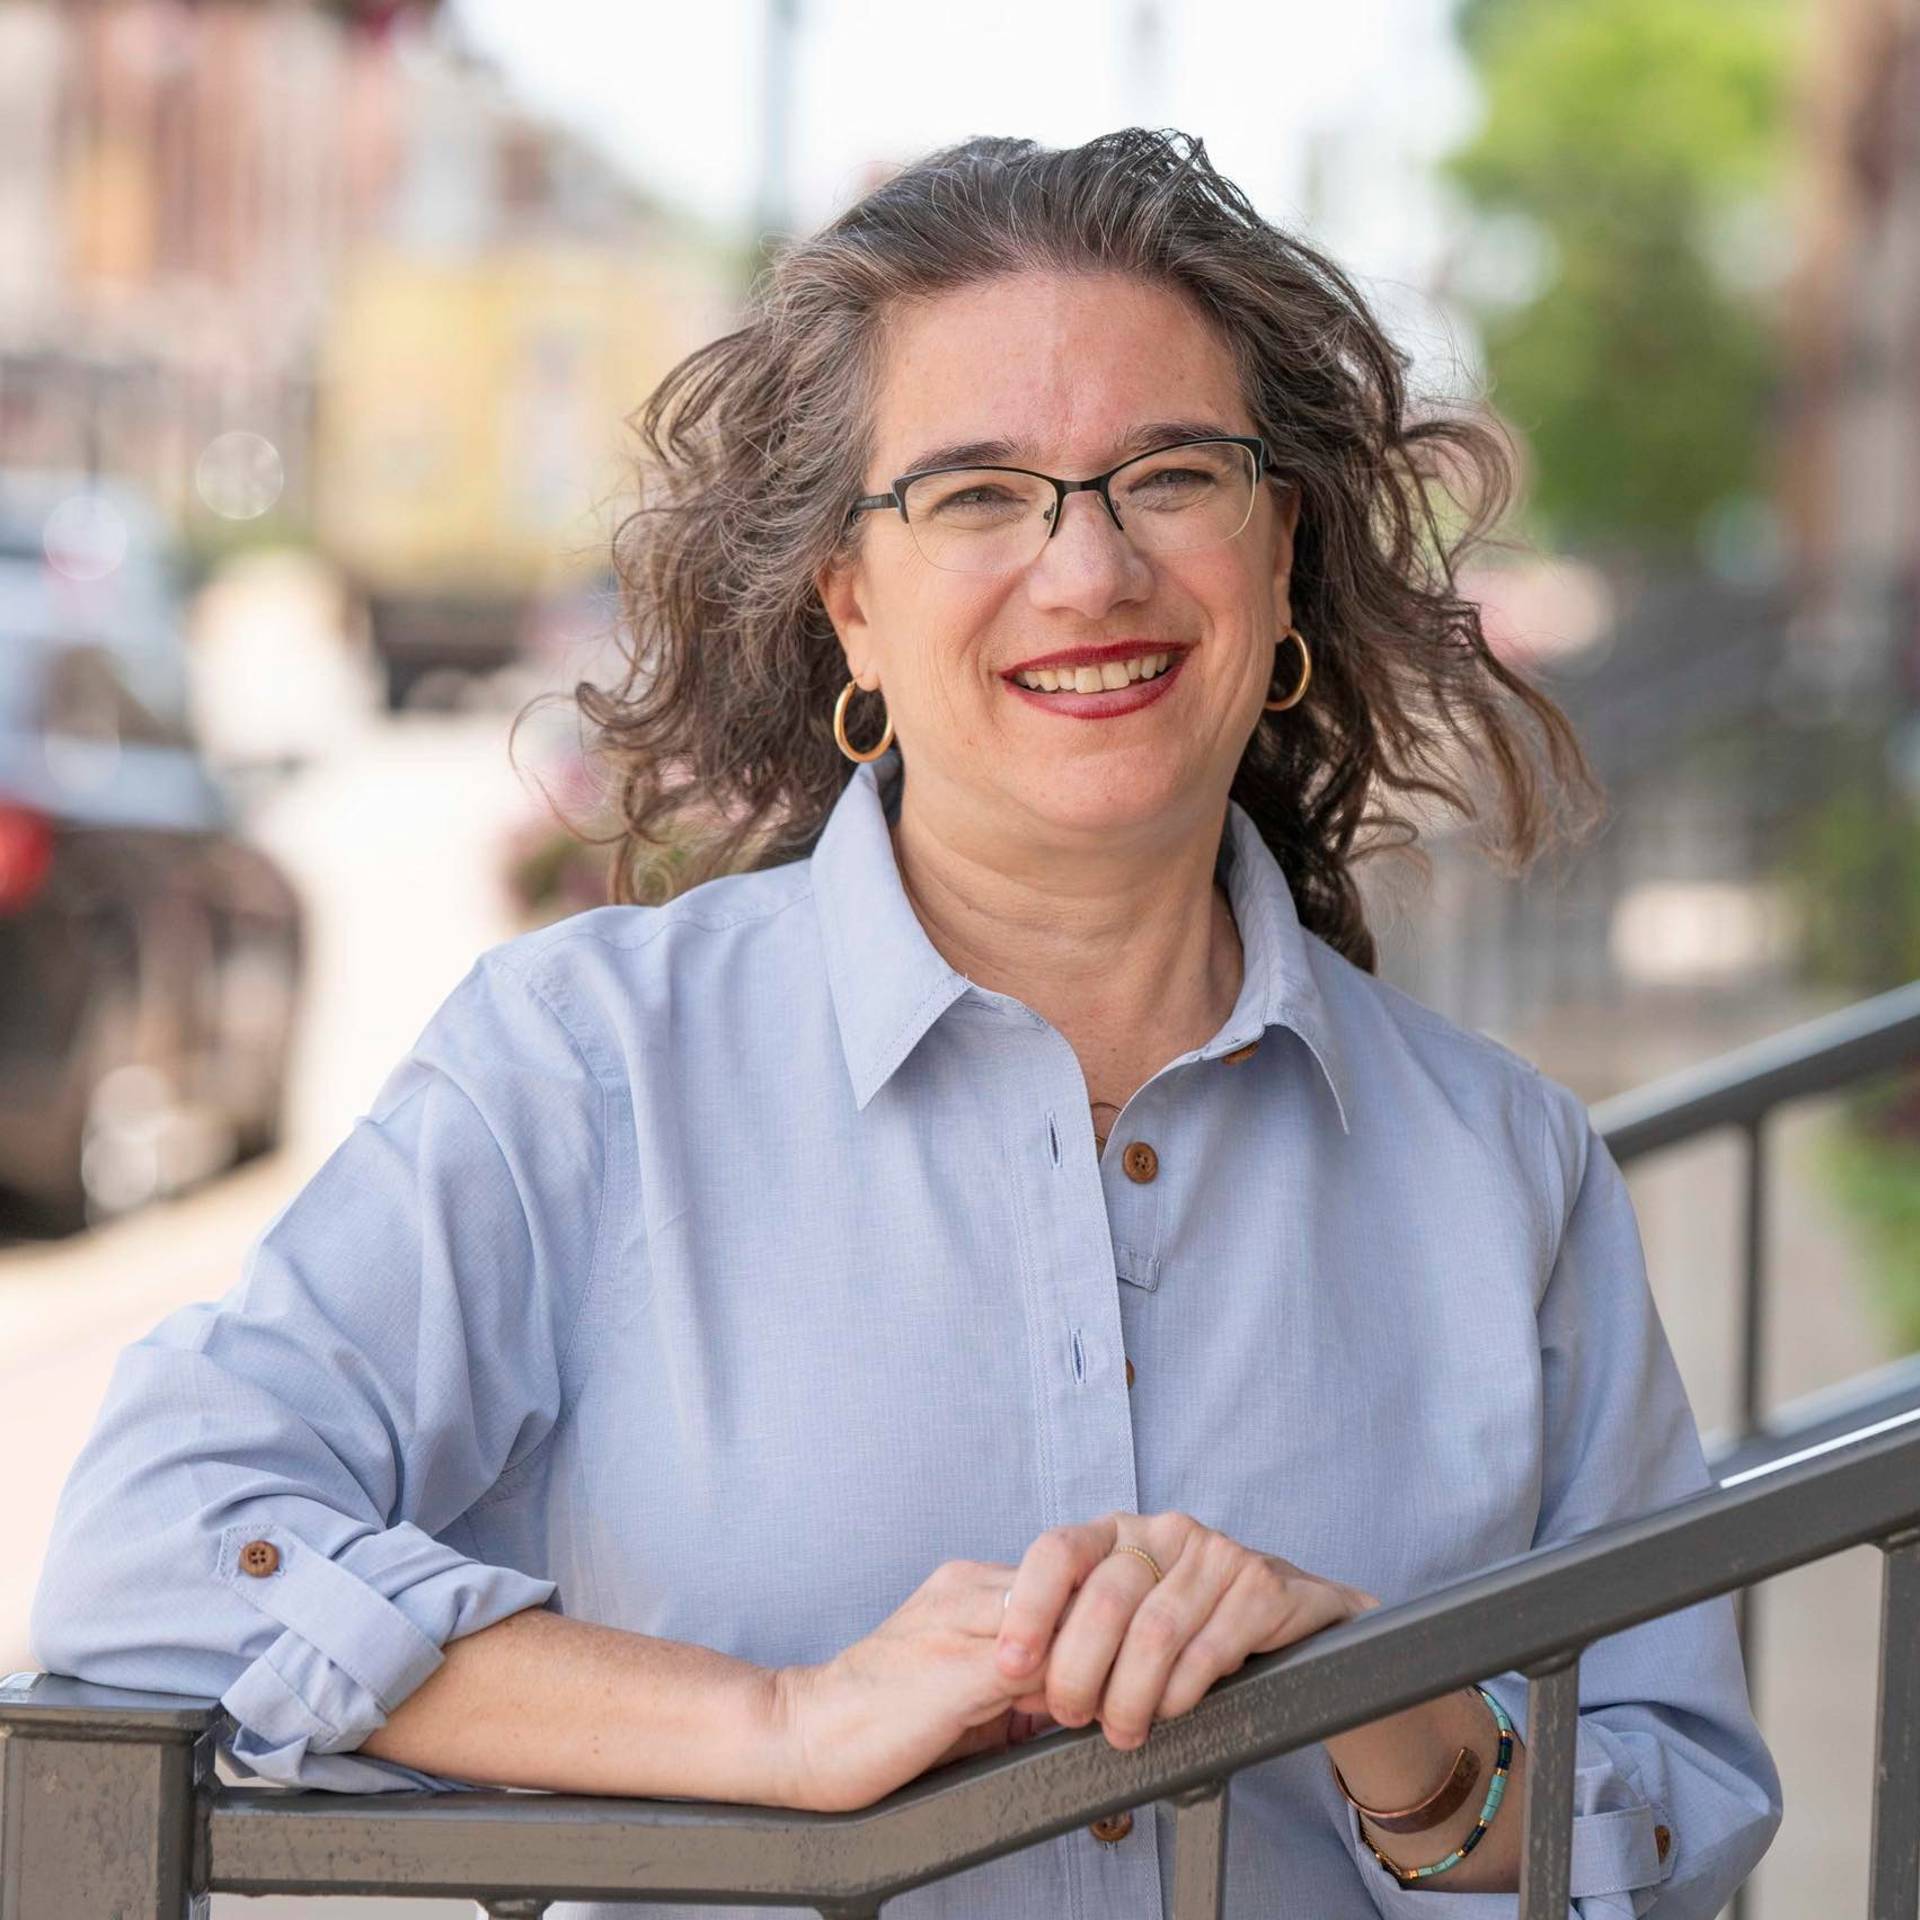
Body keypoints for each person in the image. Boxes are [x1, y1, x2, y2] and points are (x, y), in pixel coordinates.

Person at [30, 128, 1781, 1919]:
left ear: (1282, 552)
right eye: (975, 494)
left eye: (1172, 474)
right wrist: (775, 1727)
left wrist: (1406, 1726)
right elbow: (161, 1545)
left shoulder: (1506, 1168)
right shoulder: (588, 1068)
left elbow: (1684, 1819)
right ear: (848, 603)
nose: (1088, 572)